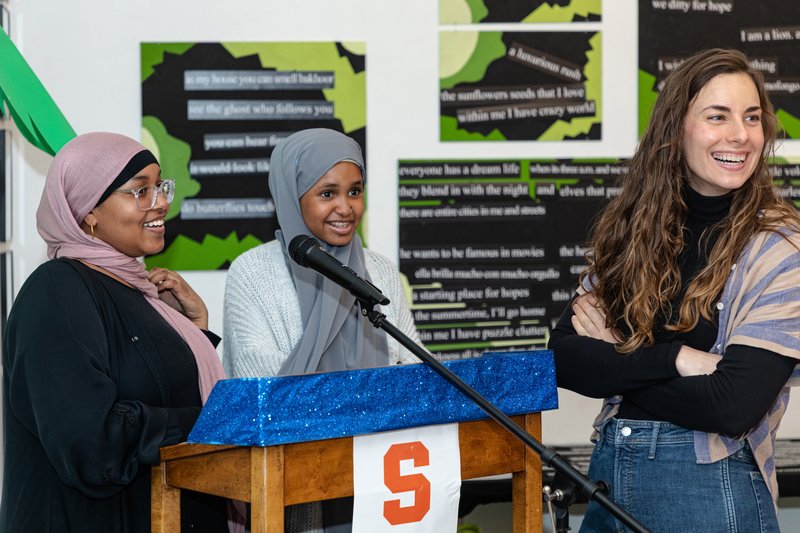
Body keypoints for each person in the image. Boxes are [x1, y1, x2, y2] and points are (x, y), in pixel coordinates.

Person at [549, 48, 800, 532]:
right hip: (610, 482)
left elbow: (731, 405)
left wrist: (617, 357)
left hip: (711, 497)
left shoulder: (781, 248)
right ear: (675, 128)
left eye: (751, 117)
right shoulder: (634, 230)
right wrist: (676, 359)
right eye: (717, 116)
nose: (740, 135)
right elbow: (564, 359)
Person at [1, 132, 229, 532]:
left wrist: (195, 332)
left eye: (159, 186)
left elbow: (151, 389)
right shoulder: (57, 289)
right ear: (89, 211)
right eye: (140, 190)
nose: (160, 202)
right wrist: (213, 419)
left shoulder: (137, 289)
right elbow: (91, 443)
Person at [223, 128, 421, 531]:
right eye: (327, 193)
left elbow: (414, 366)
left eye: (355, 191)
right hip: (293, 477)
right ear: (292, 198)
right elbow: (260, 387)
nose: (345, 208)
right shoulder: (254, 272)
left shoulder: (379, 271)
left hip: (385, 475)